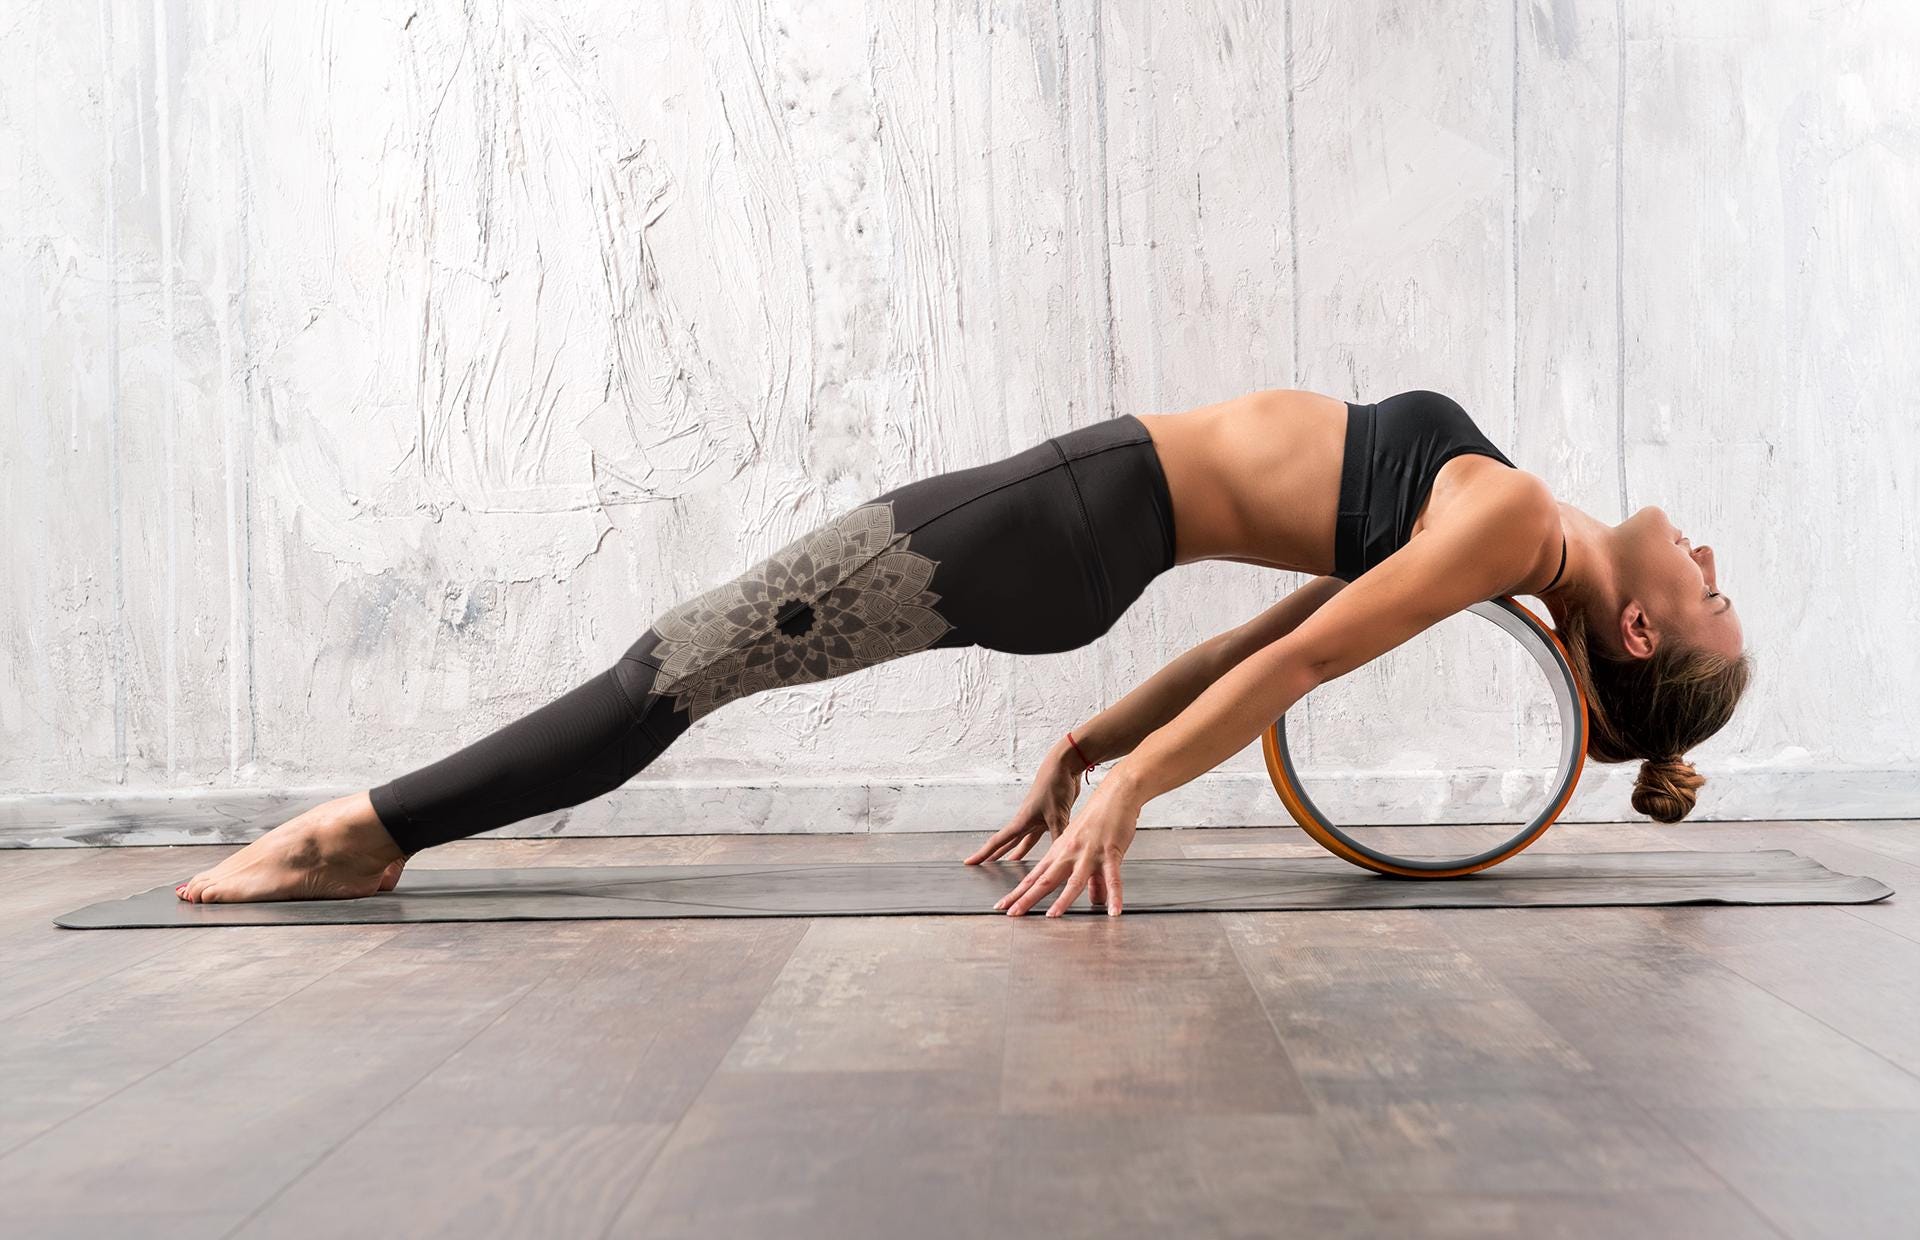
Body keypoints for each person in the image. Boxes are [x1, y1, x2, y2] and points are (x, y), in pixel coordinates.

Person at [175, 388, 1751, 913]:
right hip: (1074, 536)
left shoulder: (1517, 513)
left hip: (1068, 521)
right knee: (693, 660)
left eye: (1711, 595)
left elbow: (1293, 672)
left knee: (682, 663)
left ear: (1633, 630)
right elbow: (1274, 632)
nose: (1706, 561)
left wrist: (1133, 781)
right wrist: (1091, 740)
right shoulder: (1497, 525)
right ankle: (377, 831)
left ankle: (361, 836)